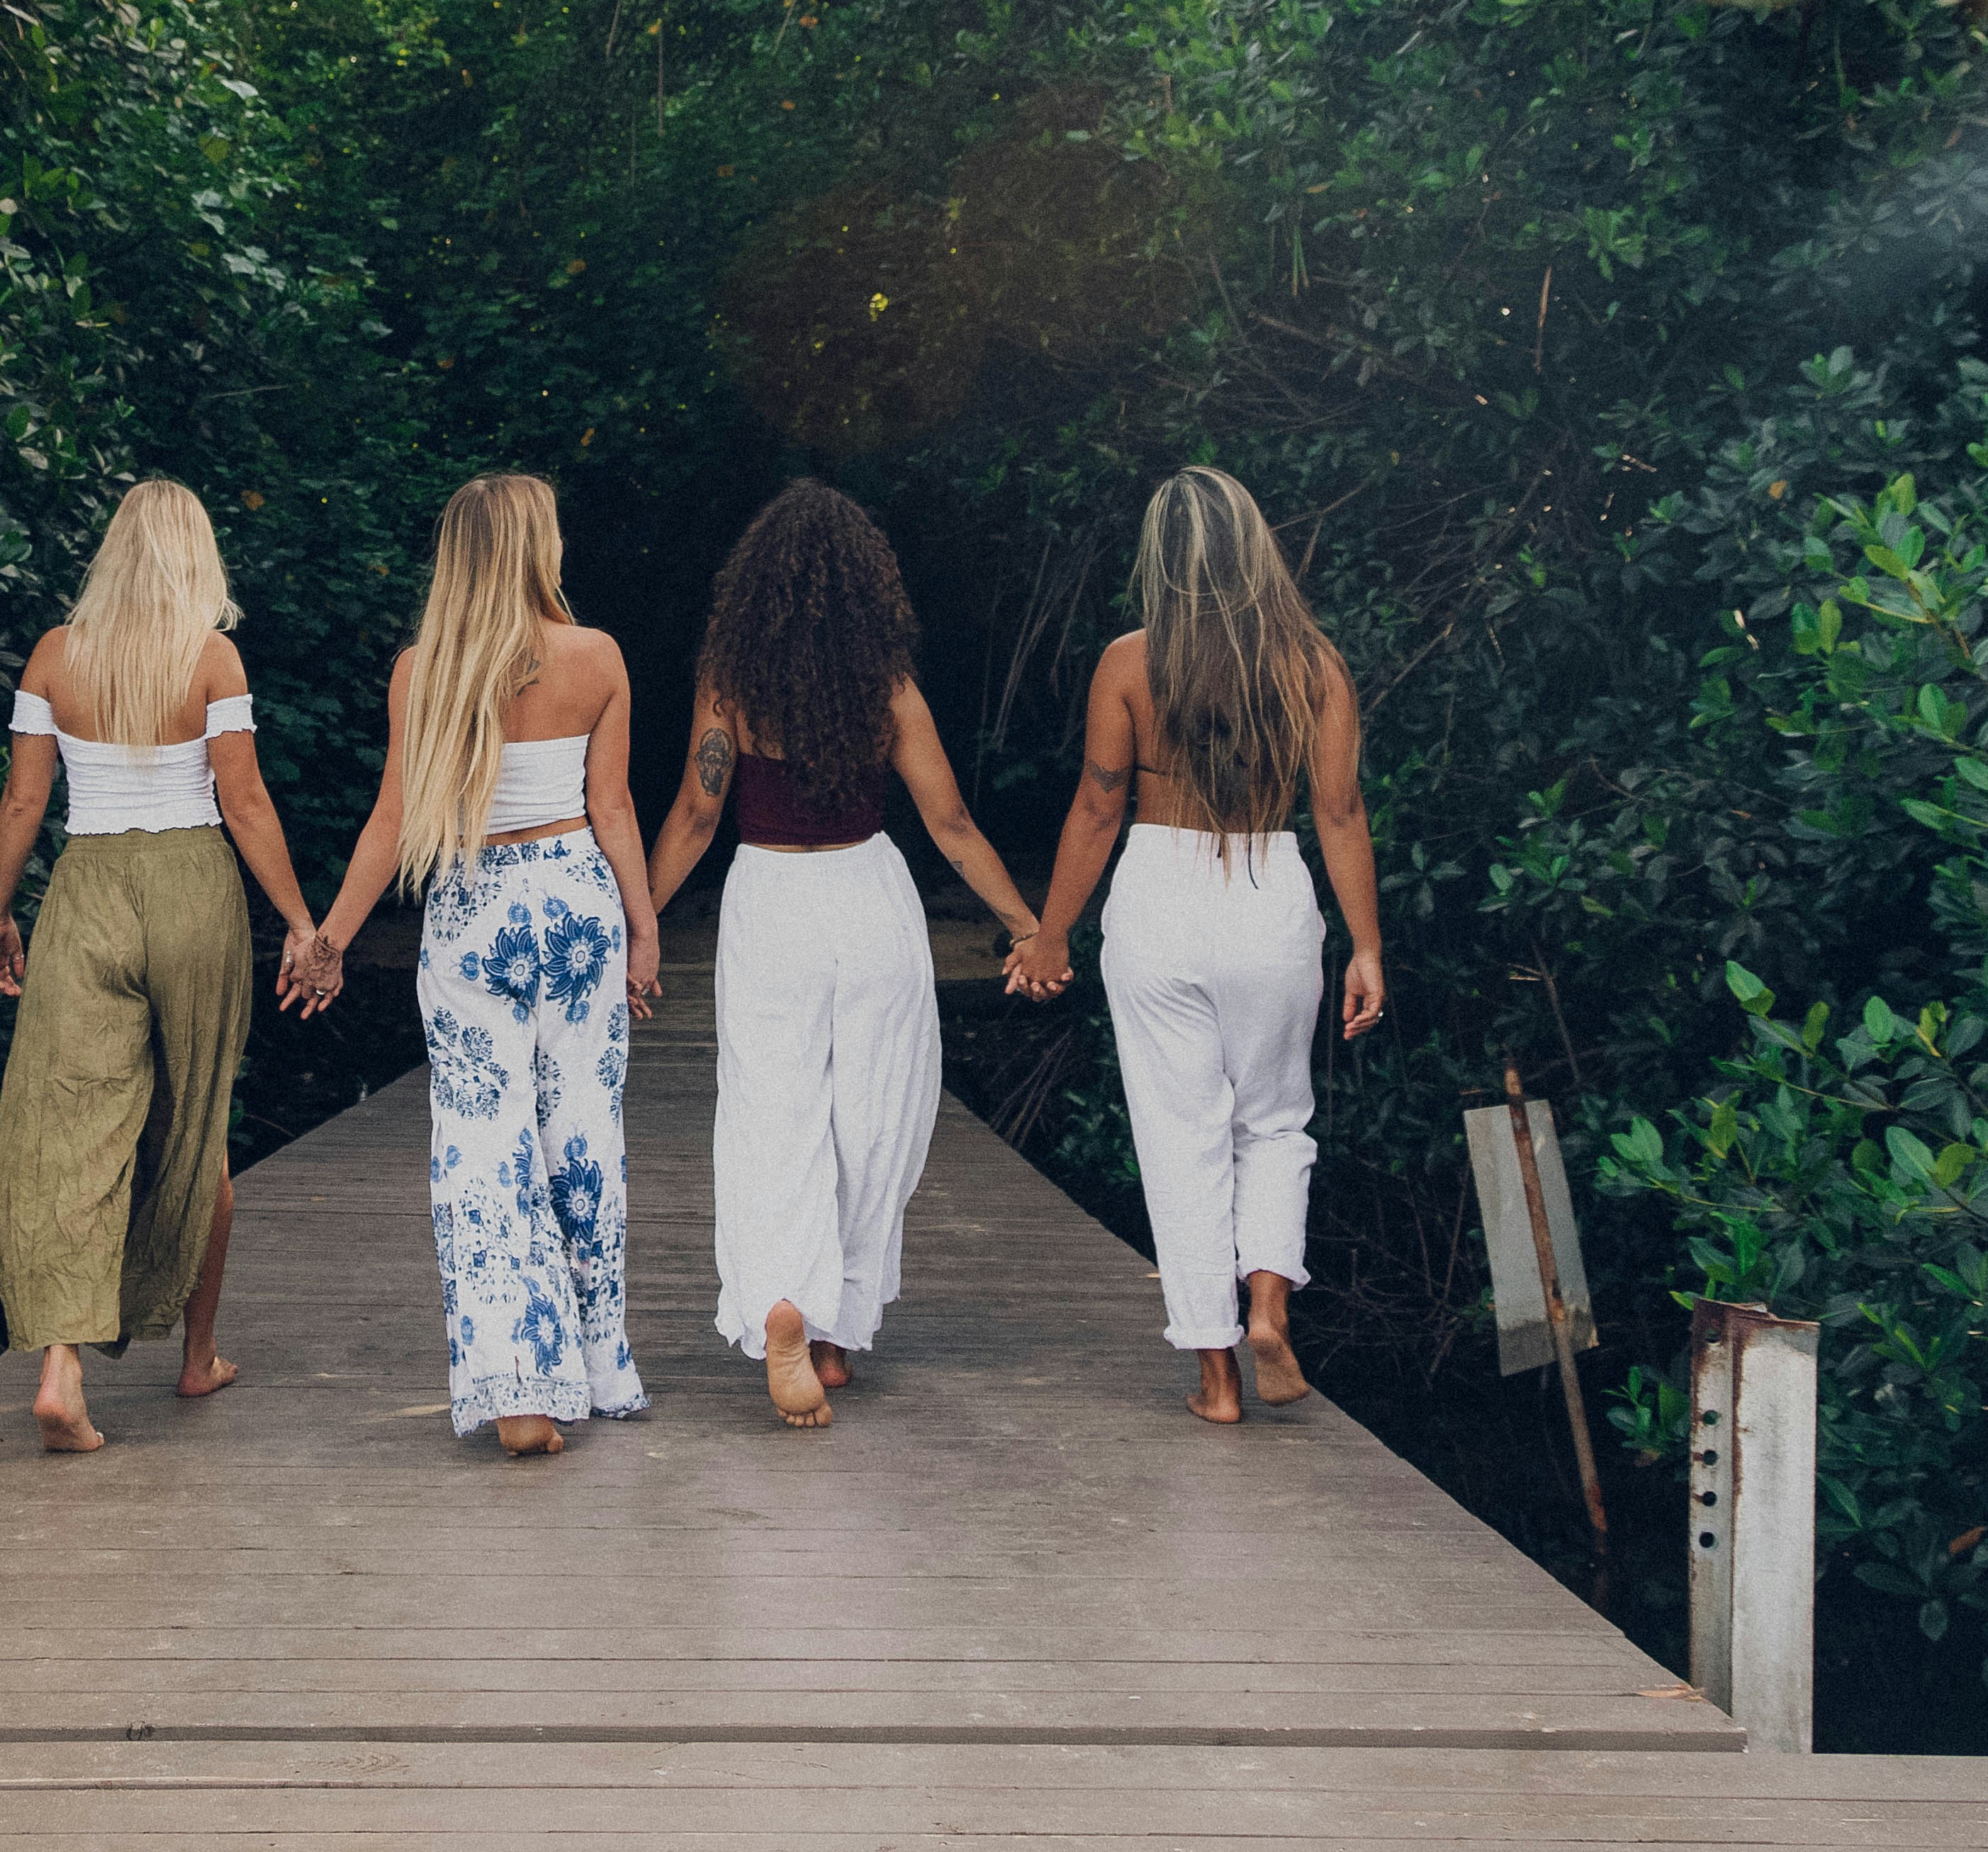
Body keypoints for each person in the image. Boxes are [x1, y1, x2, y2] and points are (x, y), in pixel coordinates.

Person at [646, 479, 1045, 1432]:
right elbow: (948, 822)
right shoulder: (887, 687)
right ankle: (831, 1329)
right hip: (870, 899)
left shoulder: (729, 684)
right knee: (876, 1114)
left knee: (773, 1112)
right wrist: (1030, 925)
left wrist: (640, 925)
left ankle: (791, 1303)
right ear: (867, 584)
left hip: (770, 902)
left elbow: (698, 814)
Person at [1007, 464, 1388, 1425]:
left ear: (1160, 558)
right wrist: (1366, 947)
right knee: (1273, 1120)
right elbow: (1339, 813)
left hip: (1159, 899)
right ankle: (1269, 1301)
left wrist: (1050, 935)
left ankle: (1218, 1379)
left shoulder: (1129, 662)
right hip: (1269, 894)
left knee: (1181, 1138)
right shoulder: (1313, 664)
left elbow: (1099, 807)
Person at [0, 476, 339, 1455]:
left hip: (90, 886)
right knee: (196, 1129)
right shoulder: (212, 656)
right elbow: (247, 801)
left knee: (73, 1125)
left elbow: (22, 801)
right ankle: (198, 1353)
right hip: (192, 889)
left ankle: (63, 1368)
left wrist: (0, 907)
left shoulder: (56, 655)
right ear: (196, 556)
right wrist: (303, 923)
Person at [309, 472, 657, 1457]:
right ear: (536, 549)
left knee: (482, 1138)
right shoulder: (596, 658)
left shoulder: (424, 671)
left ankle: (516, 1381)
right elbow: (615, 808)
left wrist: (332, 935)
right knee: (582, 1130)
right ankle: (596, 1361)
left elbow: (391, 821)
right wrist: (643, 925)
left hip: (473, 913)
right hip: (577, 907)